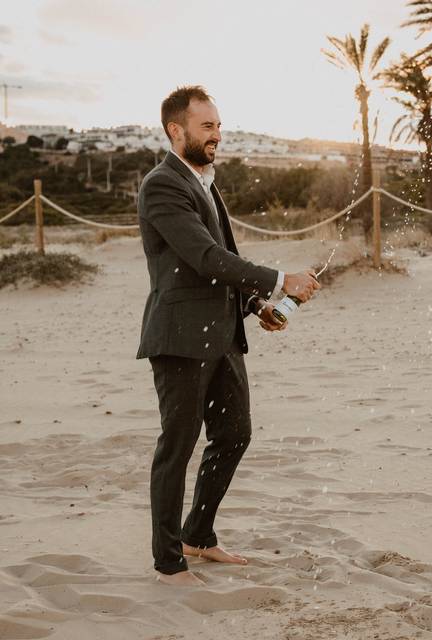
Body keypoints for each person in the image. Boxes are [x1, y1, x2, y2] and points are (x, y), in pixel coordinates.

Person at [136, 85, 321, 586]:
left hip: (222, 336)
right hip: (178, 339)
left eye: (219, 125)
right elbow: (205, 258)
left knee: (234, 434)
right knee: (177, 445)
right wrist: (281, 280)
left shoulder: (207, 183)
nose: (218, 134)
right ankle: (169, 560)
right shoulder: (162, 185)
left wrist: (259, 305)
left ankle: (198, 534)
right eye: (207, 126)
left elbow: (220, 272)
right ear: (177, 131)